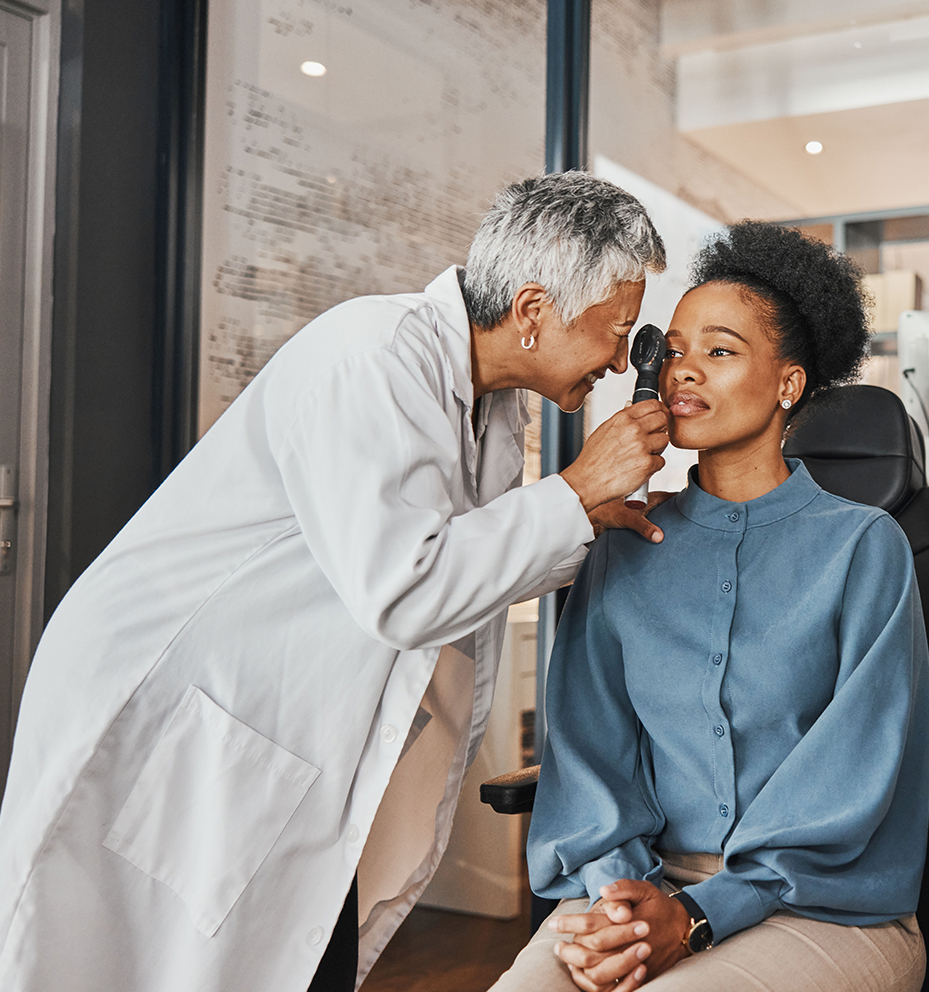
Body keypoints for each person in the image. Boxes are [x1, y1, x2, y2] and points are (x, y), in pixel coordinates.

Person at [0, 172, 673, 992]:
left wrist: (591, 521)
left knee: (279, 950)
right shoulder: (374, 355)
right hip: (176, 702)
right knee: (129, 958)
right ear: (533, 312)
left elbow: (471, 564)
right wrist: (573, 491)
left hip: (265, 721)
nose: (618, 357)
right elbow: (406, 590)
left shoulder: (492, 409)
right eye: (616, 330)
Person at [491, 222, 929, 992]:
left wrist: (698, 915)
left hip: (817, 905)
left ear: (789, 384)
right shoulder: (622, 542)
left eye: (720, 352)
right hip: (639, 886)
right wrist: (622, 900)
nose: (684, 372)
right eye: (675, 352)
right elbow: (590, 756)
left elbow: (849, 781)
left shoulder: (864, 548)